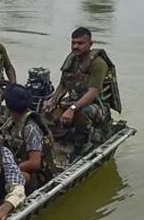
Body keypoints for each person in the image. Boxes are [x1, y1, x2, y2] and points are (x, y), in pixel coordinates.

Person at [43, 27, 122, 155]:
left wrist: (72, 108)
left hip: (97, 106)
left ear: (90, 44)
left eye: (80, 43)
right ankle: (54, 143)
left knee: (83, 112)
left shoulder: (98, 63)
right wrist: (53, 100)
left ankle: (79, 148)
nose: (75, 46)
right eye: (73, 43)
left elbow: (93, 92)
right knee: (47, 112)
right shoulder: (72, 60)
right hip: (75, 100)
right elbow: (63, 85)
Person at [0, 84, 56, 192]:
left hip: (36, 175)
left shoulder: (30, 127)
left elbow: (35, 163)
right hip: (14, 164)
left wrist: (9, 170)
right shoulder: (11, 121)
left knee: (7, 180)